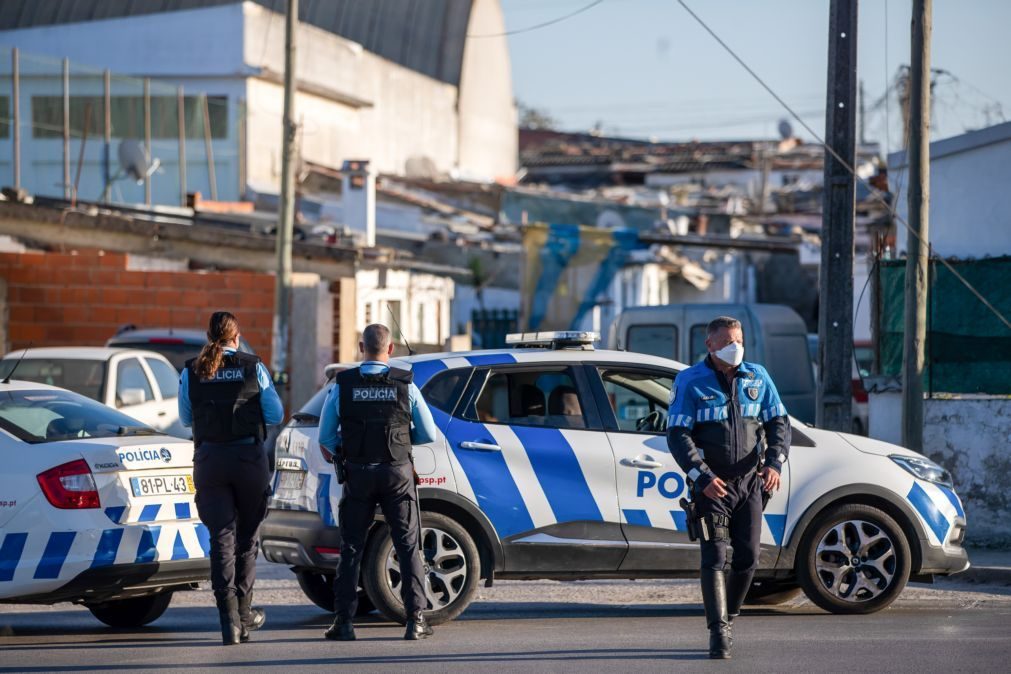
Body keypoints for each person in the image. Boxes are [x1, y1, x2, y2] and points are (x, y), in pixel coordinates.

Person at [667, 316, 790, 659]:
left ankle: (730, 613)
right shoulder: (690, 381)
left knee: (749, 558)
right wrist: (701, 477)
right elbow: (678, 435)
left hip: (750, 484)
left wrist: (775, 462)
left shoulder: (758, 376)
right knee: (715, 557)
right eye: (726, 341)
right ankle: (718, 631)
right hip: (712, 488)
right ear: (710, 345)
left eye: (738, 340)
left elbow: (779, 422)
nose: (734, 347)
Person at [319, 323, 438, 642]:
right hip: (397, 474)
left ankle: (343, 623)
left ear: (361, 347)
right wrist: (399, 440)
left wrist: (348, 448)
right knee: (407, 545)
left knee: (351, 548)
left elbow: (326, 437)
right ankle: (415, 621)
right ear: (391, 350)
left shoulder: (342, 384)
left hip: (357, 474)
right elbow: (429, 433)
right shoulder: (405, 385)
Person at [179, 311, 284, 645]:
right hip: (248, 460)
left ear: (210, 337)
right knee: (246, 541)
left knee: (220, 540)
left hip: (210, 460)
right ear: (236, 337)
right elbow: (276, 414)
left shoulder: (192, 370)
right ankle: (244, 613)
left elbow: (185, 417)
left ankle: (229, 623)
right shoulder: (253, 367)